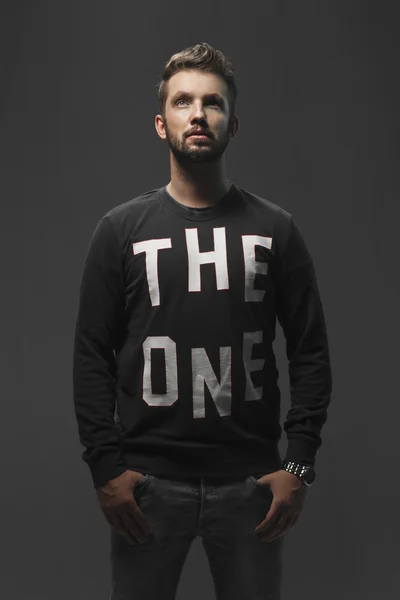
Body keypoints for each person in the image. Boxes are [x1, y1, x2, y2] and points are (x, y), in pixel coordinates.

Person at [72, 42, 332, 600]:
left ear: (232, 124)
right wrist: (105, 469)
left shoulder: (275, 230)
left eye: (212, 103)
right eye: (183, 101)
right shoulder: (120, 231)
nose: (197, 114)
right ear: (161, 123)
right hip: (146, 488)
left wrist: (301, 467)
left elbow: (309, 349)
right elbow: (91, 353)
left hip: (251, 486)